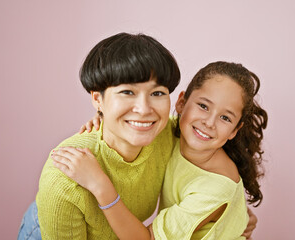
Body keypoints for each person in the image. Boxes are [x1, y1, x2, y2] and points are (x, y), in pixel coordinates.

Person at [17, 33, 258, 240]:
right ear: (182, 103)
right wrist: (103, 118)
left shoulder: (178, 138)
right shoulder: (65, 180)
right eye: (127, 92)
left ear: (235, 129)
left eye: (157, 93)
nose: (144, 109)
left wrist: (231, 215)